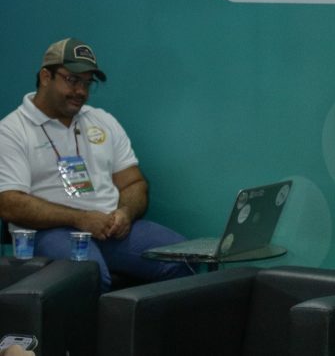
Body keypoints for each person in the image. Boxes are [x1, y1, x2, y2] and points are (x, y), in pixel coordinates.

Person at [0, 38, 191, 292]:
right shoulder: (12, 130)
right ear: (46, 77)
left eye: (87, 83)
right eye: (72, 80)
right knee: (88, 274)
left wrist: (125, 212)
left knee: (184, 258)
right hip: (51, 232)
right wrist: (80, 219)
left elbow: (134, 183)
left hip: (110, 228)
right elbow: (10, 203)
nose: (81, 91)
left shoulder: (102, 121)